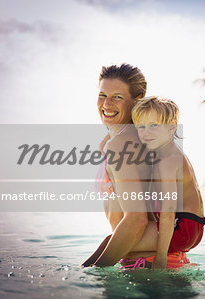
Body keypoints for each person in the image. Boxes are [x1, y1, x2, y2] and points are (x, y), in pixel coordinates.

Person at [118, 96, 205, 270]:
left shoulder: (168, 160)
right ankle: (176, 258)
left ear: (172, 127)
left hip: (181, 228)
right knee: (124, 241)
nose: (146, 132)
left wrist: (160, 258)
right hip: (193, 227)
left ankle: (93, 273)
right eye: (141, 127)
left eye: (154, 125)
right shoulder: (170, 153)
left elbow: (168, 211)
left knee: (121, 243)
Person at [81, 63, 149, 267]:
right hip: (134, 259)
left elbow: (137, 220)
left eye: (117, 97)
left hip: (144, 267)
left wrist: (98, 272)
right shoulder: (114, 141)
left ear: (136, 101)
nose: (106, 104)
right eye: (102, 95)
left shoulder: (122, 144)